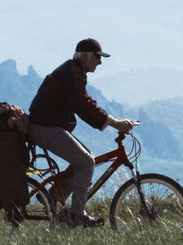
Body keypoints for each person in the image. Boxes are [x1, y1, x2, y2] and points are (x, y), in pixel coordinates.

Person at [29, 38, 135, 223]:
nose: (99, 62)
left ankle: (53, 197)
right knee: (85, 162)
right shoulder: (72, 73)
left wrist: (111, 122)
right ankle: (77, 215)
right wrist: (115, 123)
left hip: (47, 126)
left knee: (86, 158)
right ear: (85, 56)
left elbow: (85, 102)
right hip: (45, 128)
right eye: (97, 57)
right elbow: (84, 104)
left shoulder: (74, 71)